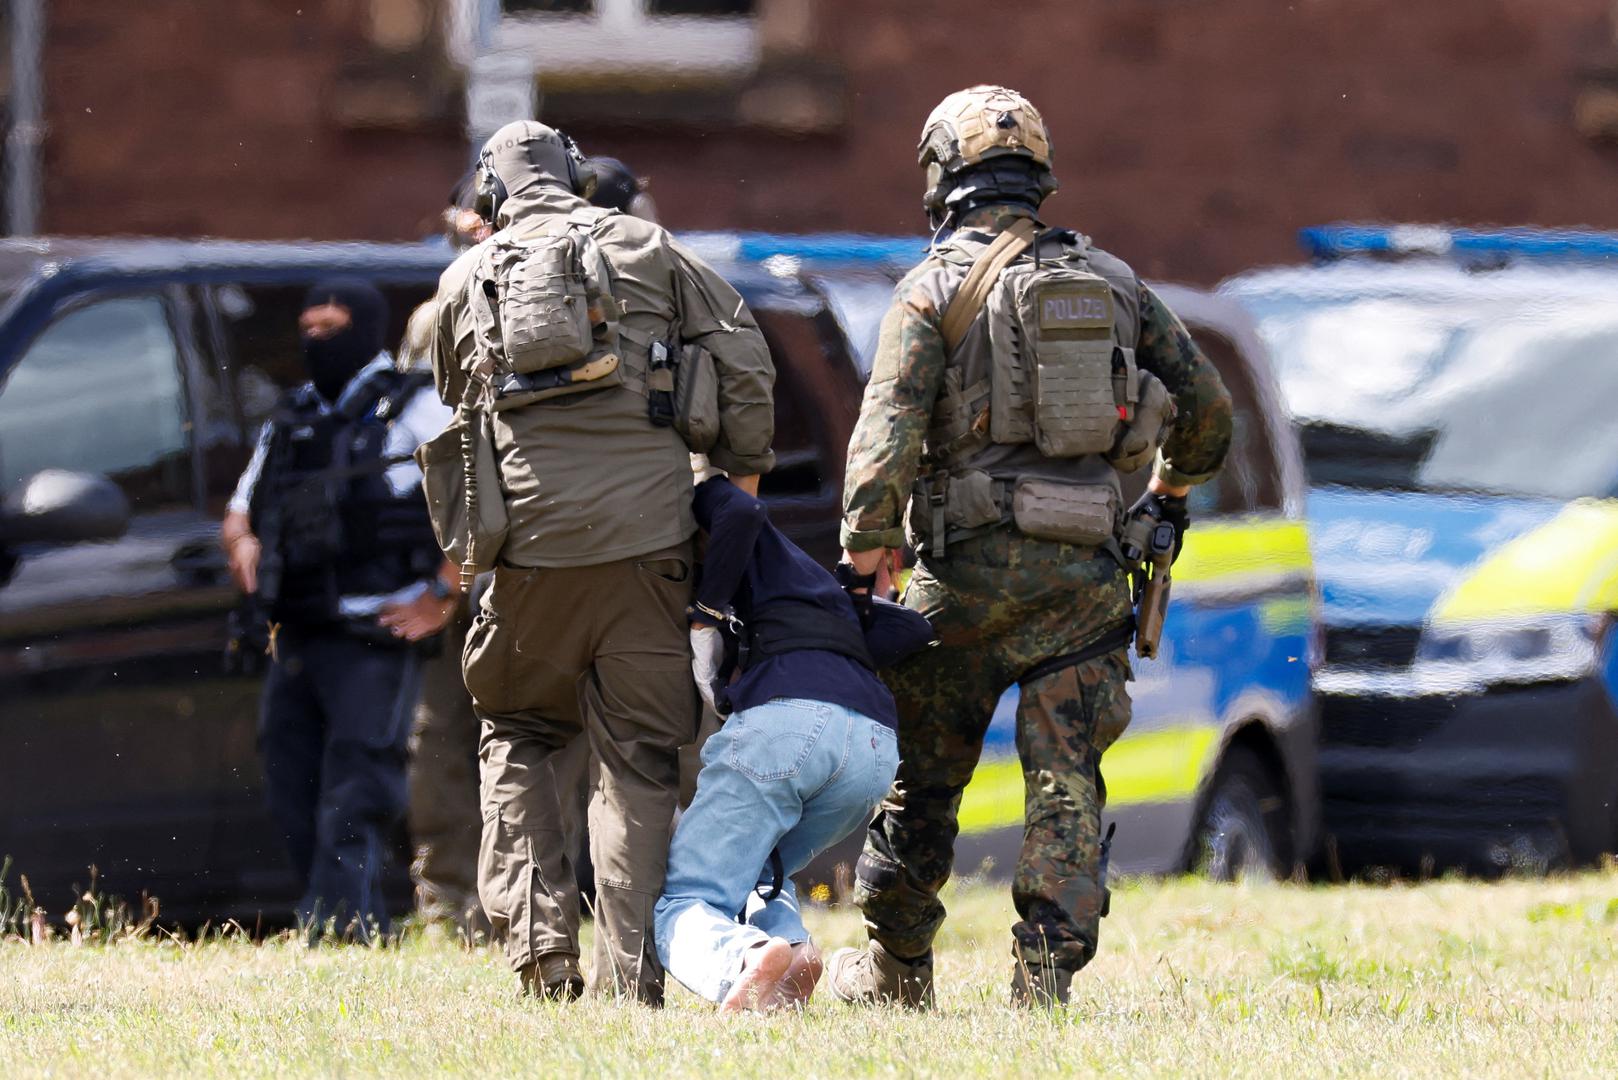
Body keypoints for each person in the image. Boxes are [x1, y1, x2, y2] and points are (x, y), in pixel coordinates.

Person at [827, 86, 1234, 1008]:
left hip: (958, 586)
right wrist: (1167, 494)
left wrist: (864, 563)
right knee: (1067, 784)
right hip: (1085, 583)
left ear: (941, 179)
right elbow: (1209, 413)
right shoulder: (1115, 282)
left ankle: (897, 970)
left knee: (921, 782)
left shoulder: (930, 288)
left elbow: (883, 436)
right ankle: (1043, 976)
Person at [429, 120, 776, 1003]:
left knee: (515, 729)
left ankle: (542, 950)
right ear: (577, 179)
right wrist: (737, 476)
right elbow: (743, 356)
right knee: (640, 764)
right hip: (649, 557)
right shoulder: (647, 244)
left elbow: (444, 391)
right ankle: (632, 978)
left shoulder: (467, 276)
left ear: (493, 193)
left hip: (527, 563)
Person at [221, 280, 461, 938]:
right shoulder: (293, 414)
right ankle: (350, 921)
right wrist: (244, 544)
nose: (315, 341)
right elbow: (242, 507)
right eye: (309, 328)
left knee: (358, 783)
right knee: (290, 776)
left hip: (376, 629)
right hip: (301, 628)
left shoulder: (415, 407)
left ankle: (337, 927)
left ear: (366, 329)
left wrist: (442, 595)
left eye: (331, 328)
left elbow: (477, 501)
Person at [654, 468, 931, 1013]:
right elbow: (914, 630)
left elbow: (741, 511)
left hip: (787, 726)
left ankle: (740, 957)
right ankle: (795, 950)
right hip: (872, 748)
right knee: (757, 864)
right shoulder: (807, 578)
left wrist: (706, 618)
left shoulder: (700, 494)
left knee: (688, 895)